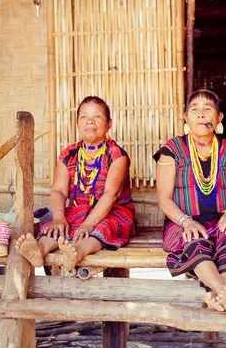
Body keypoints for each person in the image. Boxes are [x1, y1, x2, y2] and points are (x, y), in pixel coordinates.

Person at [154, 89, 226, 313]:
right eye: (195, 109)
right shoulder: (171, 150)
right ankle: (223, 291)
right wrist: (186, 221)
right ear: (186, 117)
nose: (201, 114)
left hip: (222, 219)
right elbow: (163, 199)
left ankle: (217, 293)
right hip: (181, 222)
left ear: (219, 118)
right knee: (193, 239)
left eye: (208, 109)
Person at [16, 96, 137, 271]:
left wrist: (89, 224)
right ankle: (39, 250)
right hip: (78, 211)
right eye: (84, 117)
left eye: (97, 116)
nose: (90, 121)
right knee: (57, 227)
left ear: (109, 123)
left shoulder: (117, 155)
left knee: (103, 227)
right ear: (77, 124)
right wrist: (58, 217)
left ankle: (76, 252)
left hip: (114, 213)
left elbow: (111, 194)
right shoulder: (69, 154)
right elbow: (58, 190)